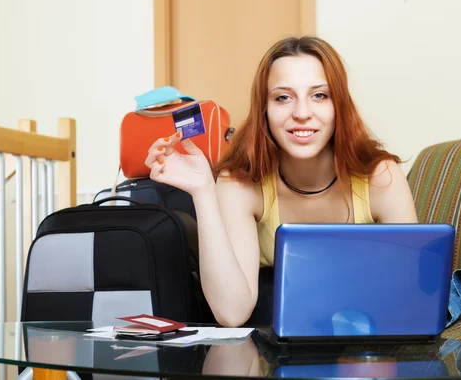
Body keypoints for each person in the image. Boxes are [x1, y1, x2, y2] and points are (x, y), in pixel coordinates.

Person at [144, 36, 418, 327]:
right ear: (264, 109)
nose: (301, 113)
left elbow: (412, 297)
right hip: (277, 335)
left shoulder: (380, 177)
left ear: (340, 106)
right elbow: (231, 314)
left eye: (320, 95)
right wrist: (202, 191)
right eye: (283, 97)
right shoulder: (240, 183)